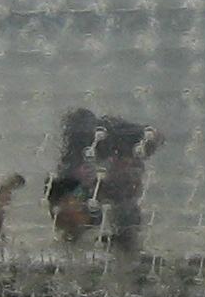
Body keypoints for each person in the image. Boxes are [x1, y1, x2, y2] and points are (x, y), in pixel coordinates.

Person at [45, 107, 164, 252]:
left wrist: (130, 158)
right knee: (82, 207)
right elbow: (65, 186)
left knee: (125, 217)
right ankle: (121, 244)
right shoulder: (76, 154)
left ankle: (126, 244)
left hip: (114, 183)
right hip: (94, 184)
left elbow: (155, 136)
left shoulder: (114, 132)